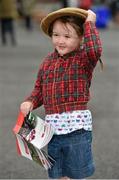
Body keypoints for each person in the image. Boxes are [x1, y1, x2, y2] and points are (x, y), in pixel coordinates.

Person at [20, 7, 102, 179]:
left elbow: (94, 49)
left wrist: (90, 24)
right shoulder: (47, 62)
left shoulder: (83, 59)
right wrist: (30, 102)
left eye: (67, 36)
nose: (60, 41)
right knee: (57, 173)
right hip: (53, 131)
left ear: (81, 38)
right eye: (56, 35)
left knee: (76, 173)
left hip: (77, 130)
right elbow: (39, 90)